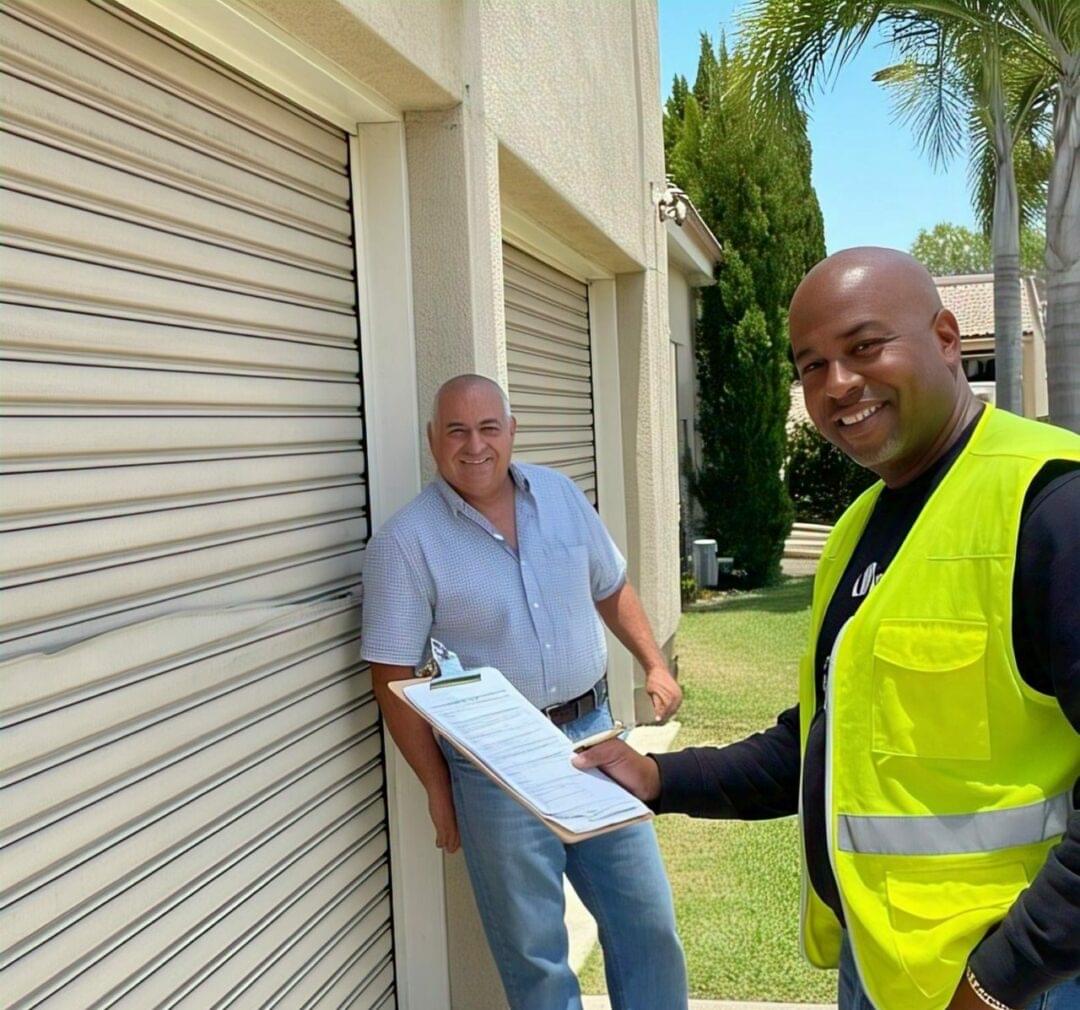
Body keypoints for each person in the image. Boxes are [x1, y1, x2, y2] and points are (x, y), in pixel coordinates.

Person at [575, 248, 1080, 1010]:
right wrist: (659, 778)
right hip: (882, 969)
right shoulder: (857, 531)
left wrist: (997, 982)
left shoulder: (1052, 505)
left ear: (947, 339)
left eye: (864, 347)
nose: (837, 384)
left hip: (1021, 983)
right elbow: (824, 738)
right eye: (812, 365)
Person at [361, 373, 688, 1010]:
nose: (474, 445)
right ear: (433, 441)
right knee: (535, 954)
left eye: (489, 428)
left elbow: (610, 584)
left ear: (512, 433)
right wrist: (438, 787)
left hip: (595, 739)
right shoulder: (407, 543)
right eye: (456, 430)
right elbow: (392, 677)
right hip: (495, 768)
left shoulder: (561, 496)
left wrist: (654, 662)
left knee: (647, 924)